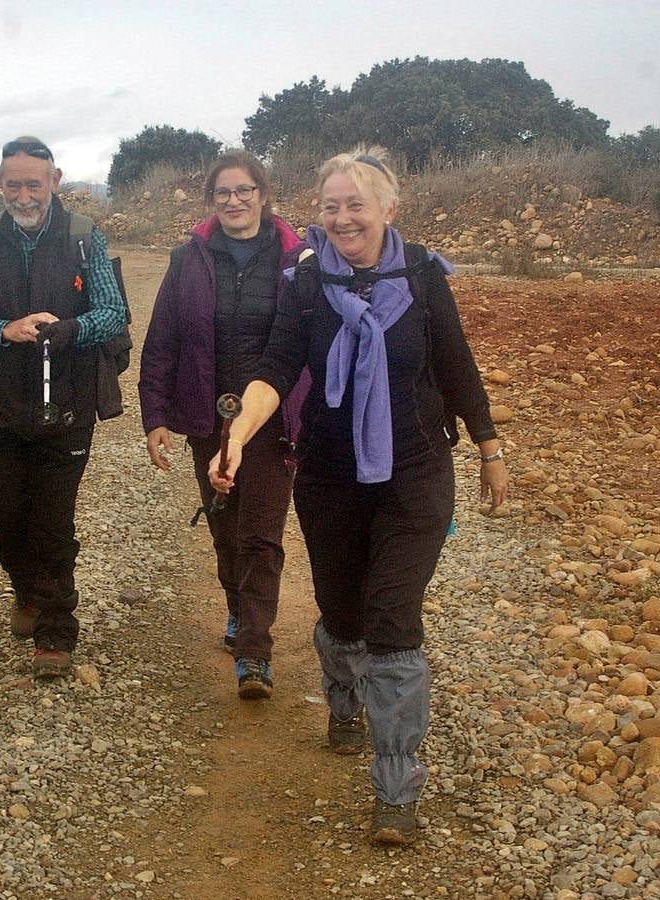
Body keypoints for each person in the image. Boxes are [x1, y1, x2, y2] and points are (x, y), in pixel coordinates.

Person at [209, 147, 507, 844]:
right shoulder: (308, 283)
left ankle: (396, 788)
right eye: (331, 206)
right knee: (343, 612)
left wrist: (490, 448)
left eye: (356, 205)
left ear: (388, 210)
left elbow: (457, 367)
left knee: (392, 614)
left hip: (417, 473)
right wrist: (240, 434)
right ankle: (344, 702)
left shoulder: (425, 275)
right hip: (330, 475)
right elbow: (276, 367)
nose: (342, 218)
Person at [0, 136, 124, 679]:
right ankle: (27, 587)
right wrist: (5, 330)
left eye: (34, 183)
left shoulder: (85, 238)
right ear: (0, 184)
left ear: (55, 180)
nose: (24, 194)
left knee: (51, 521)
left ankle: (55, 629)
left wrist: (70, 329)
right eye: (13, 183)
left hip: (68, 407)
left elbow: (114, 314)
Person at [139, 150, 309, 700]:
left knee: (261, 532)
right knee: (225, 526)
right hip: (206, 415)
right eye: (223, 193)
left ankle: (255, 653)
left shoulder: (295, 259)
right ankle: (238, 610)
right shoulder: (188, 258)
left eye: (244, 191)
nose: (234, 201)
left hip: (273, 418)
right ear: (212, 201)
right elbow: (163, 340)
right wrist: (155, 416)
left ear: (263, 193)